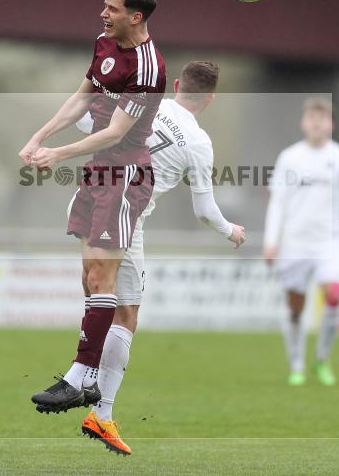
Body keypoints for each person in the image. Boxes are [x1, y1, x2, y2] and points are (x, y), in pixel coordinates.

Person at [76, 60, 246, 455]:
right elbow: (204, 210)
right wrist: (230, 230)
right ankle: (98, 408)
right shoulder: (199, 143)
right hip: (125, 219)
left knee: (97, 299)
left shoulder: (146, 103)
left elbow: (88, 125)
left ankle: (83, 381)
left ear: (175, 85)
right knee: (125, 314)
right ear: (211, 99)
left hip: (89, 201)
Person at [20, 0, 165, 415]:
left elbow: (118, 132)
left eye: (113, 8)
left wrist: (57, 154)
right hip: (97, 170)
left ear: (135, 16)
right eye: (104, 6)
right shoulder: (104, 43)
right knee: (91, 279)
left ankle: (80, 378)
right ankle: (86, 382)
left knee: (102, 280)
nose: (104, 14)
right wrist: (39, 135)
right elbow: (82, 98)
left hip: (124, 175)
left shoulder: (148, 67)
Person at [263, 96, 339, 387]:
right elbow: (278, 203)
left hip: (330, 241)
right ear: (303, 123)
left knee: (334, 294)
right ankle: (296, 364)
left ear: (332, 124)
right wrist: (272, 241)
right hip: (294, 242)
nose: (317, 123)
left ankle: (321, 359)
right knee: (296, 306)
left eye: (323, 118)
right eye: (312, 118)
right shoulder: (289, 158)